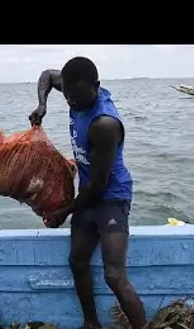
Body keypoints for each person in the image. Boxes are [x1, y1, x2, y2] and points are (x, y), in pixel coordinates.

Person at [29, 56, 147, 329]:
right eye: (68, 97)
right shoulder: (73, 88)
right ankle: (91, 323)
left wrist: (63, 211)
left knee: (114, 275)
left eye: (78, 98)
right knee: (78, 260)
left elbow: (99, 185)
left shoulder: (104, 124)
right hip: (88, 194)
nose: (72, 103)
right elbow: (47, 75)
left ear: (97, 86)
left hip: (112, 196)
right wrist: (42, 105)